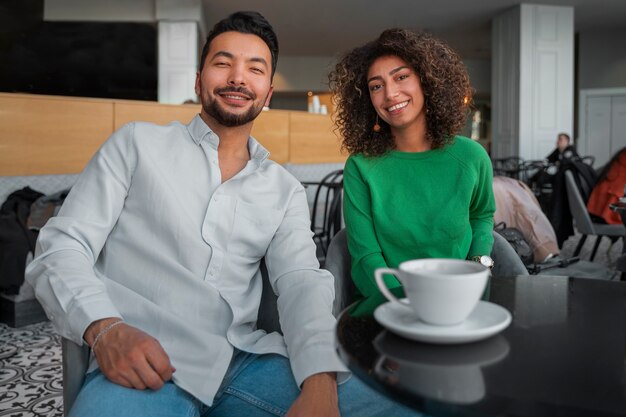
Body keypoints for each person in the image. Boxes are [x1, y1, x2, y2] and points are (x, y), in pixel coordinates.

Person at [26, 11, 420, 417]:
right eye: (223, 63)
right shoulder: (135, 145)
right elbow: (60, 248)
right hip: (141, 360)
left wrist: (320, 380)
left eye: (255, 68)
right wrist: (105, 329)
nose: (237, 77)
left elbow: (302, 282)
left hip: (247, 363)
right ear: (199, 80)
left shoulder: (283, 189)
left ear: (267, 94)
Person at [329, 29, 495, 317]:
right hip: (385, 305)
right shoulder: (361, 166)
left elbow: (481, 216)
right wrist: (406, 306)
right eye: (376, 86)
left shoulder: (471, 157)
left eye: (401, 77)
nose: (390, 94)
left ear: (427, 81)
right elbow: (366, 256)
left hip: (460, 300)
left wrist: (478, 267)